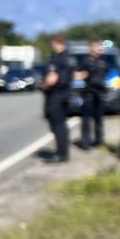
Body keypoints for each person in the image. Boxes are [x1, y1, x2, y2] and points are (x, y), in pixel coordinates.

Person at [42, 34, 77, 163]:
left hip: (55, 95)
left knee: (57, 125)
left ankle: (61, 153)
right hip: (66, 94)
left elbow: (52, 79)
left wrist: (43, 86)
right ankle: (64, 152)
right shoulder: (70, 58)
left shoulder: (57, 59)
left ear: (55, 43)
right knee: (62, 125)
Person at [76, 39, 108, 149]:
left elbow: (106, 74)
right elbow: (77, 75)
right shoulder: (85, 61)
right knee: (86, 119)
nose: (97, 49)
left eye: (99, 47)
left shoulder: (103, 61)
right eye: (95, 47)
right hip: (88, 93)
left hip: (99, 93)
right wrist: (81, 75)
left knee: (99, 119)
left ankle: (99, 140)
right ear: (90, 48)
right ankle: (85, 142)